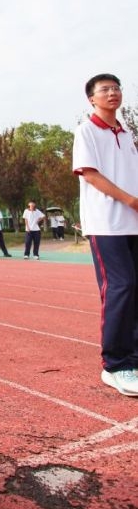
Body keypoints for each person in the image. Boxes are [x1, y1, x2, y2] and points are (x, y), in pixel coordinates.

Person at [72, 73, 138, 396]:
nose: (113, 93)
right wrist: (130, 201)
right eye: (105, 89)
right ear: (92, 99)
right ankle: (115, 365)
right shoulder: (86, 131)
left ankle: (134, 359)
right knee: (120, 286)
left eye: (116, 88)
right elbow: (90, 174)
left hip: (133, 223)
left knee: (135, 289)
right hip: (106, 224)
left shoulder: (127, 134)